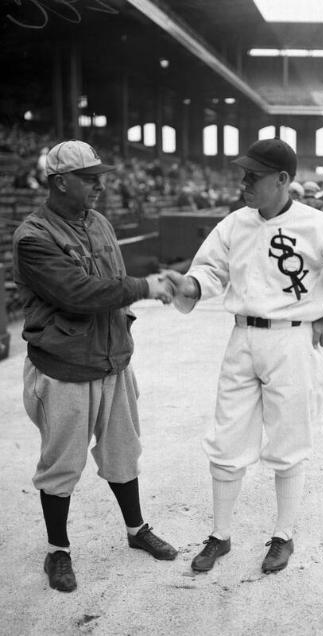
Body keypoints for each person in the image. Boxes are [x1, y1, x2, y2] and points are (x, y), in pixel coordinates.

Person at [165, 138, 323, 575]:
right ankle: (220, 535)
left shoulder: (318, 225)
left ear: (283, 180)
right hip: (244, 336)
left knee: (289, 440)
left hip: (292, 340)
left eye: (254, 176)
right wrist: (191, 286)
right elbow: (209, 270)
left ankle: (283, 535)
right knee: (226, 437)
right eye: (243, 174)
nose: (244, 182)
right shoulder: (235, 224)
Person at [12, 140, 178, 594]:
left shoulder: (99, 222)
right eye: (89, 178)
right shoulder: (33, 236)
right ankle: (58, 550)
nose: (100, 185)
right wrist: (146, 285)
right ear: (60, 181)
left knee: (123, 453)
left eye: (99, 176)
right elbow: (78, 294)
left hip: (112, 362)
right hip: (63, 367)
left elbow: (110, 286)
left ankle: (136, 529)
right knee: (61, 465)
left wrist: (125, 323)